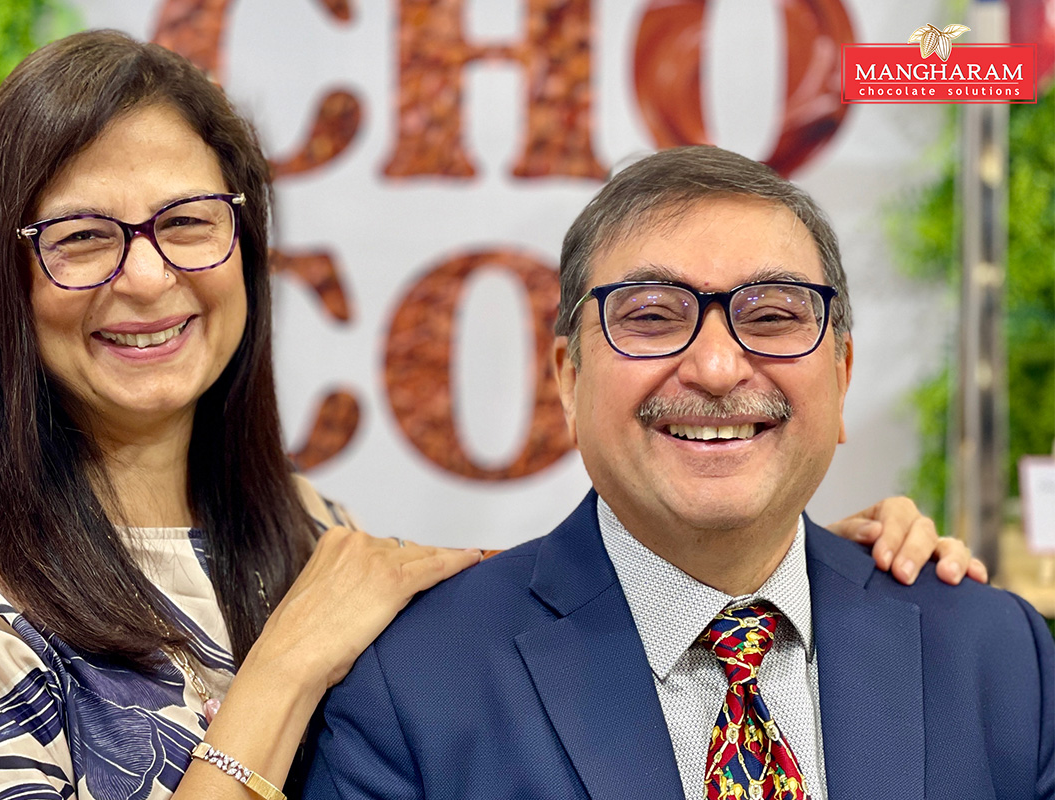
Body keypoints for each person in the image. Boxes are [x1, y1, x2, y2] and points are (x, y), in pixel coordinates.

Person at [0, 32, 980, 800]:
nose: (147, 278)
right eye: (83, 238)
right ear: (4, 275)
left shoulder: (311, 534)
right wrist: (284, 670)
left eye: (188, 222)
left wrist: (802, 573)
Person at [303, 147, 1053, 800]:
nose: (718, 368)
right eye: (653, 317)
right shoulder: (415, 681)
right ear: (569, 379)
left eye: (771, 316)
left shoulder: (998, 656)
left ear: (842, 374)